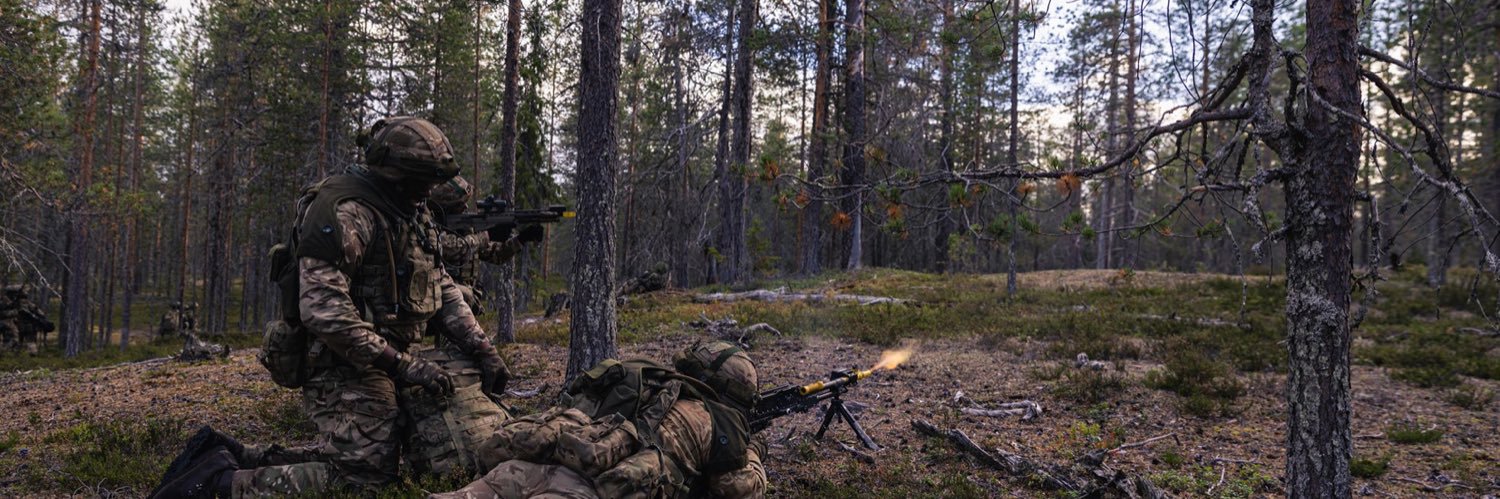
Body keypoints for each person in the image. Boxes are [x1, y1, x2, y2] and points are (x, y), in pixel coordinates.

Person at [150, 116, 512, 498]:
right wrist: (403, 365)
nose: (429, 191)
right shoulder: (347, 213)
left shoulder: (410, 210)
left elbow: (441, 284)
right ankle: (217, 485)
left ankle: (235, 455)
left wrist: (482, 348)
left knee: (373, 460)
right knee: (362, 485)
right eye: (422, 180)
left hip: (381, 355)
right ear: (395, 174)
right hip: (337, 361)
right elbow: (324, 312)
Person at [432, 340, 767, 499]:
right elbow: (737, 490)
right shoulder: (718, 420)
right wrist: (754, 451)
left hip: (527, 468)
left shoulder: (641, 377)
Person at [7, 286, 53, 355]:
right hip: (30, 326)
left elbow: (10, 314)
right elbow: (41, 313)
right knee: (31, 341)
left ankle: (15, 354)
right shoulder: (30, 304)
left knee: (18, 341)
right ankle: (33, 354)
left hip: (19, 326)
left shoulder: (15, 304)